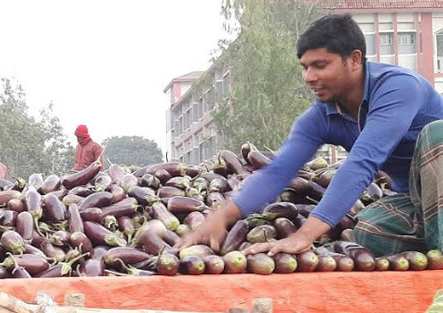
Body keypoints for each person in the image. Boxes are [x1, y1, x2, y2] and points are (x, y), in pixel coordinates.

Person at [177, 14, 443, 257]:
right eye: (305, 67)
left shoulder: (398, 88)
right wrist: (223, 217)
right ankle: (436, 246)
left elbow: (363, 160)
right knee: (369, 231)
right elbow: (277, 172)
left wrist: (303, 236)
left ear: (354, 59)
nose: (309, 77)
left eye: (319, 65)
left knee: (436, 134)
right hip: (418, 200)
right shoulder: (320, 118)